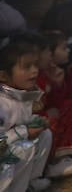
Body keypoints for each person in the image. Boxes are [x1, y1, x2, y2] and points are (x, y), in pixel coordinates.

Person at [0, 34, 53, 191]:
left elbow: (20, 122)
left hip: (9, 149)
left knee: (45, 134)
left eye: (35, 65)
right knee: (24, 147)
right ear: (3, 75)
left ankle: (30, 183)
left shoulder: (20, 95)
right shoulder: (2, 104)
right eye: (27, 67)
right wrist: (25, 132)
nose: (34, 71)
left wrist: (37, 122)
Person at [34, 34, 72, 179]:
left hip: (43, 119)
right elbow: (39, 107)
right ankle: (56, 162)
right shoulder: (36, 77)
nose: (68, 51)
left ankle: (65, 158)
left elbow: (63, 100)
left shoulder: (48, 73)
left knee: (70, 106)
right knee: (57, 114)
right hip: (33, 125)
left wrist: (58, 83)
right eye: (48, 52)